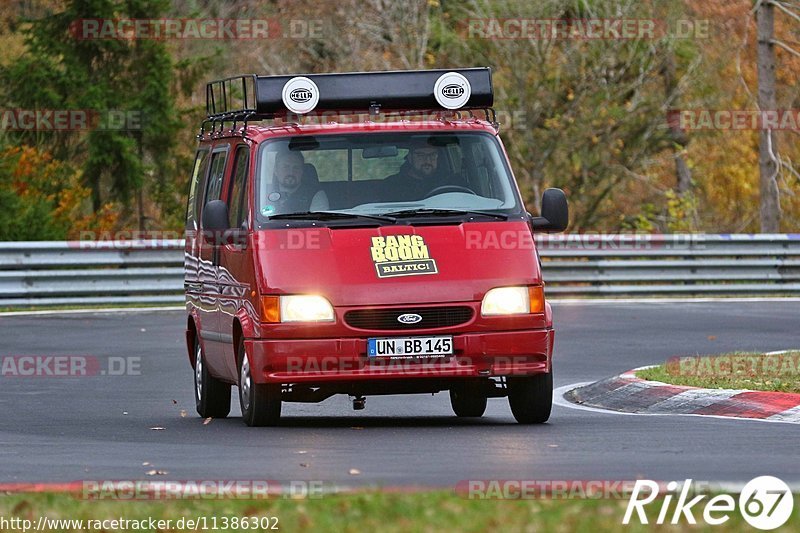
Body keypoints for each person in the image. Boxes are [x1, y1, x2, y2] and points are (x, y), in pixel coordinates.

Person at [382, 140, 449, 201]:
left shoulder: (448, 181)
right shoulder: (392, 185)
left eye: (432, 155)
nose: (428, 160)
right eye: (421, 155)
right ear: (410, 158)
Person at [264, 150, 328, 214]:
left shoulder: (315, 194)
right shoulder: (263, 194)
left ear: (302, 171)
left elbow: (318, 222)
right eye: (285, 167)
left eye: (296, 168)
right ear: (276, 171)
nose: (291, 172)